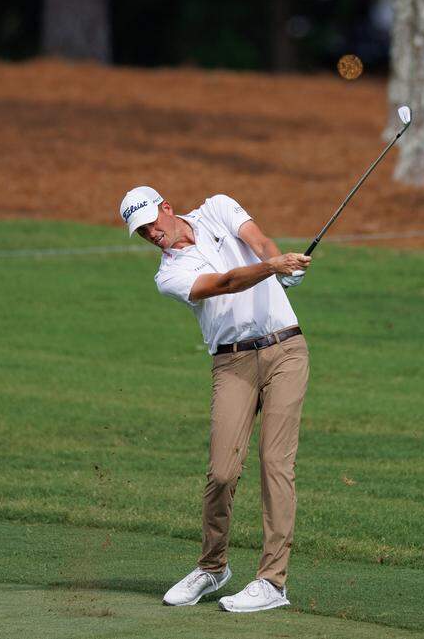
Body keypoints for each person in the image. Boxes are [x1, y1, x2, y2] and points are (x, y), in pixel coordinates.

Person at [119, 185, 311, 612]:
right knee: (222, 472)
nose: (151, 234)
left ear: (166, 208)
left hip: (286, 351)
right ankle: (212, 567)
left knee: (276, 464)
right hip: (232, 363)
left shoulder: (218, 209)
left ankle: (272, 583)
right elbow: (224, 283)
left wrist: (281, 263)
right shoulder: (167, 276)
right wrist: (272, 267)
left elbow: (259, 241)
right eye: (141, 232)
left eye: (151, 223)